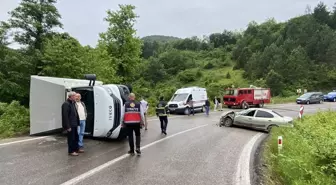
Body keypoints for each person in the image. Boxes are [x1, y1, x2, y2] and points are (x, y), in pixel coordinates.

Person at [62, 91, 80, 156]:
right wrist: (68, 126)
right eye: (75, 96)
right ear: (71, 96)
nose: (76, 97)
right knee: (71, 139)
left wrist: (77, 123)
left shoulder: (72, 103)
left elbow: (75, 114)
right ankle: (71, 151)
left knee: (76, 137)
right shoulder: (66, 104)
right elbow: (65, 116)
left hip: (74, 124)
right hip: (70, 125)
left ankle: (76, 149)